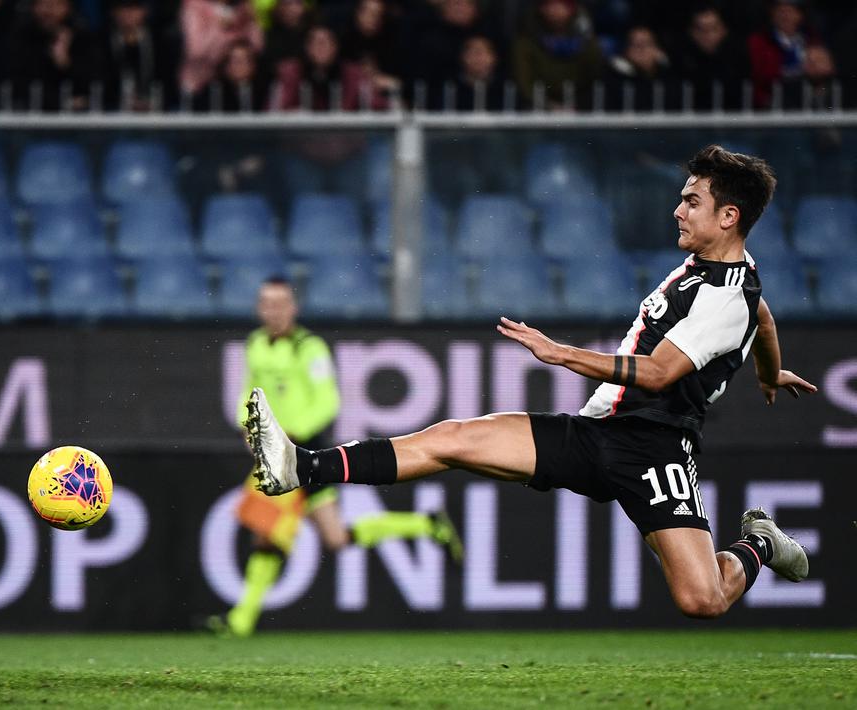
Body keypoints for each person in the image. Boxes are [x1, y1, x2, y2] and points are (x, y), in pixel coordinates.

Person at [244, 145, 817, 620]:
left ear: (729, 217)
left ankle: (760, 542)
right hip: (596, 431)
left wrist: (560, 353)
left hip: (656, 447)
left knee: (702, 600)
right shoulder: (719, 276)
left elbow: (662, 372)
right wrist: (769, 372)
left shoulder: (722, 295)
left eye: (692, 201)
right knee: (454, 439)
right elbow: (761, 314)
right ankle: (302, 466)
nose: (678, 210)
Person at [211, 277, 462, 637]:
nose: (274, 311)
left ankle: (240, 621)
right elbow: (245, 394)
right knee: (335, 538)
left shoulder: (308, 349)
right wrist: (245, 425)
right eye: (267, 303)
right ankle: (425, 525)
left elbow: (328, 401)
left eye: (281, 304)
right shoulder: (254, 346)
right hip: (274, 453)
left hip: (306, 452)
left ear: (293, 308)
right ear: (259, 308)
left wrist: (293, 431)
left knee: (268, 533)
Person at [511, 0, 604, 110]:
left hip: (580, 108)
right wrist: (549, 106)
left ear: (571, 9)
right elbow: (524, 85)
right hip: (537, 108)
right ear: (541, 9)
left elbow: (595, 80)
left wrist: (579, 106)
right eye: (549, 4)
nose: (555, 10)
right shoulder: (525, 44)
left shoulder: (588, 44)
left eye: (560, 4)